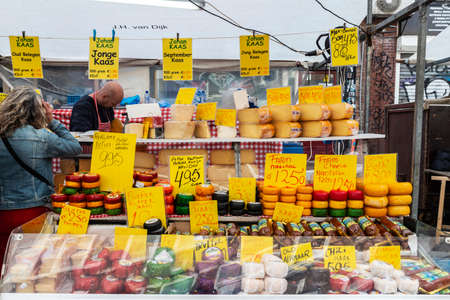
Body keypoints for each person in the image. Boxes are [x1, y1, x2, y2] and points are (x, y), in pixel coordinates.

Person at [0, 86, 82, 268]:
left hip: (2, 212)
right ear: (38, 110)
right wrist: (52, 121)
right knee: (31, 267)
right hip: (32, 211)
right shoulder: (41, 136)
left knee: (3, 264)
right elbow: (74, 147)